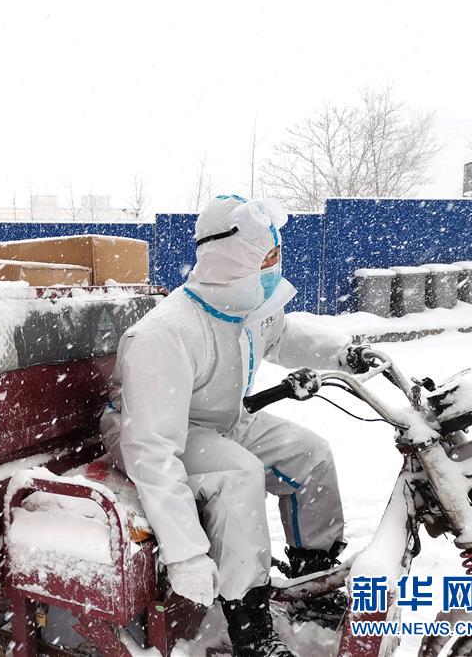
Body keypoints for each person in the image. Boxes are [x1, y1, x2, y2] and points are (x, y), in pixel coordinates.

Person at [101, 195, 373, 657]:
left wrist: (342, 354)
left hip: (225, 420)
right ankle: (250, 625)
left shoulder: (253, 304)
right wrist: (185, 553)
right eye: (265, 258)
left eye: (276, 254)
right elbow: (150, 447)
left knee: (310, 453)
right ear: (230, 258)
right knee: (239, 475)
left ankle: (314, 578)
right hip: (159, 431)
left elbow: (283, 335)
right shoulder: (166, 333)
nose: (275, 266)